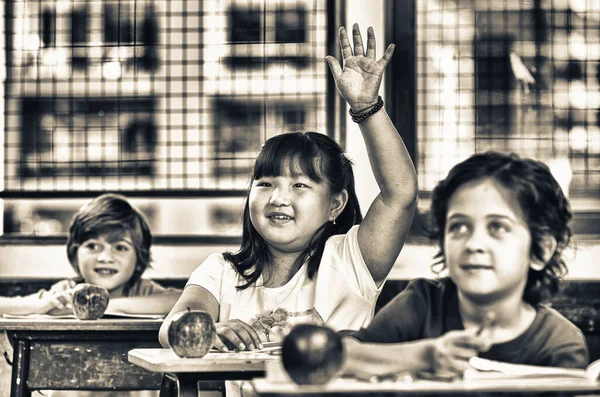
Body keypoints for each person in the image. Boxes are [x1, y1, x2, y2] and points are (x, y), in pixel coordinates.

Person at [159, 23, 417, 397]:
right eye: (265, 184)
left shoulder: (350, 260)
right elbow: (173, 326)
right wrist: (206, 332)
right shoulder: (220, 272)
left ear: (336, 204)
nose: (278, 198)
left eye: (299, 186)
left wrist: (366, 108)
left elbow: (401, 193)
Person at [343, 151, 589, 381]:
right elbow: (339, 357)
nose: (473, 243)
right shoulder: (422, 304)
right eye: (458, 226)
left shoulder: (558, 344)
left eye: (498, 227)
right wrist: (423, 357)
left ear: (541, 250)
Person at [0, 193, 182, 397]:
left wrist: (107, 307)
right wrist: (38, 307)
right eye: (93, 246)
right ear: (75, 253)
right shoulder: (65, 292)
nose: (105, 257)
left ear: (139, 259)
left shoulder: (142, 290)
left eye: (120, 247)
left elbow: (181, 301)